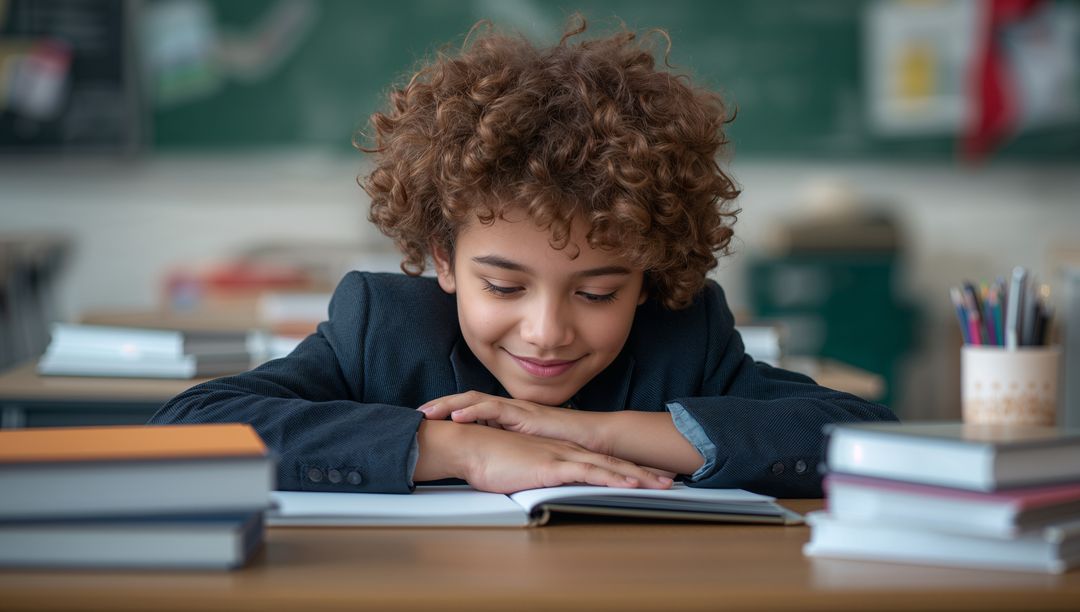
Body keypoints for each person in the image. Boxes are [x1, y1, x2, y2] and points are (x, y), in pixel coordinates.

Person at [149, 18, 897, 498]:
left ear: (649, 276)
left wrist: (597, 432)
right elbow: (187, 430)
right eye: (503, 285)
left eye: (598, 293)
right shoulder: (383, 329)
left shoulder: (684, 336)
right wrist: (460, 450)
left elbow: (866, 436)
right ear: (443, 257)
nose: (546, 331)